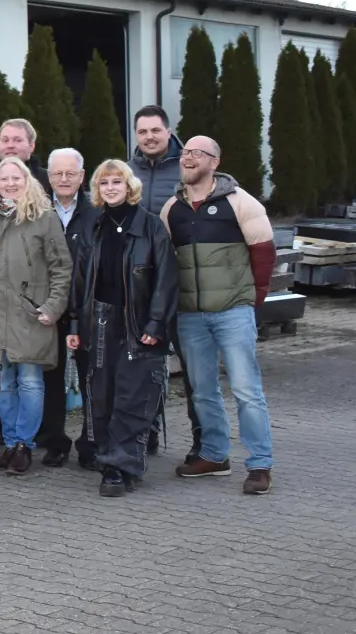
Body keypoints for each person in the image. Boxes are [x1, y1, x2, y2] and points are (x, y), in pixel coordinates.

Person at [160, 135, 276, 495]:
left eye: (197, 153)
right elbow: (165, 263)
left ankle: (259, 464)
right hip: (190, 316)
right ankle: (213, 455)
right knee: (202, 391)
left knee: (246, 390)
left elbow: (264, 254)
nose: (188, 158)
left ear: (215, 160)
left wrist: (251, 300)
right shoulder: (171, 210)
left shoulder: (241, 202)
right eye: (184, 153)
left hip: (233, 313)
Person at [65, 159, 177, 497]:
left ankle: (120, 467)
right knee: (101, 394)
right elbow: (79, 279)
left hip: (137, 322)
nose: (111, 188)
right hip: (98, 319)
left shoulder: (151, 227)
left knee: (132, 395)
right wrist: (74, 322)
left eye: (117, 182)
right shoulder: (92, 227)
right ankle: (109, 456)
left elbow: (165, 281)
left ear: (130, 186)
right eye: (104, 183)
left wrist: (155, 323)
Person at [0, 156, 73, 475]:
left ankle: (24, 444)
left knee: (29, 381)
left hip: (30, 314)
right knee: (0, 382)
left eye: (16, 178)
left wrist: (52, 307)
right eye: (4, 178)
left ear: (28, 181)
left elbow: (61, 267)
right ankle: (11, 444)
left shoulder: (44, 216)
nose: (10, 184)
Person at [39, 147, 101, 469]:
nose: (63, 179)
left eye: (70, 173)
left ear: (82, 175)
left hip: (87, 310)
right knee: (51, 379)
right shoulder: (36, 211)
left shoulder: (97, 212)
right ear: (48, 177)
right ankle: (54, 443)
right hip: (48, 310)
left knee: (92, 378)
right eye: (57, 174)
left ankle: (91, 444)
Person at [131, 105, 184, 209]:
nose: (149, 137)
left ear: (168, 133)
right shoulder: (125, 172)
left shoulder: (187, 169)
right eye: (142, 132)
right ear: (136, 135)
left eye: (155, 130)